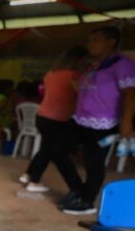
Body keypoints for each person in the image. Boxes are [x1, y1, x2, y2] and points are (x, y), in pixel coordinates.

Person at [56, 26, 135, 214]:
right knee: (57, 150)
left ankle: (87, 201)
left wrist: (126, 122)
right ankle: (77, 189)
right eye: (90, 40)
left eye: (95, 40)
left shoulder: (121, 64)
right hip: (80, 119)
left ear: (111, 42)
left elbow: (130, 94)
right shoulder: (94, 65)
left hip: (103, 123)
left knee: (93, 162)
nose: (90, 45)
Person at [19, 47, 89, 193]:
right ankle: (34, 181)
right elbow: (84, 96)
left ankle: (28, 175)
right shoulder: (76, 75)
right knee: (49, 151)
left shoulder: (50, 74)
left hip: (43, 115)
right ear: (79, 60)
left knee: (45, 148)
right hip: (58, 118)